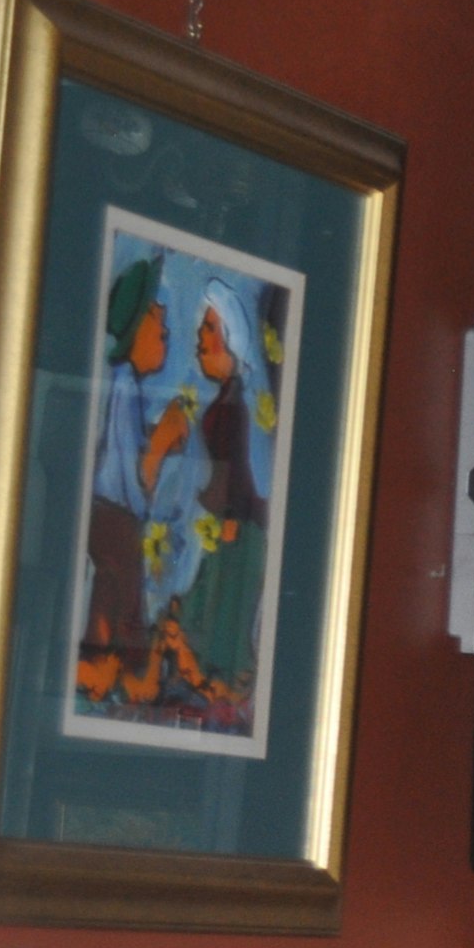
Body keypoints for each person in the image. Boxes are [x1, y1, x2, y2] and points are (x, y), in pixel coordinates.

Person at [79, 258, 198, 708]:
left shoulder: (123, 387)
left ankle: (100, 683)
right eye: (155, 315)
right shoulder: (124, 388)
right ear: (133, 331)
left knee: (108, 609)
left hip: (112, 520)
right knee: (125, 620)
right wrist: (162, 441)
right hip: (116, 522)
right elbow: (135, 482)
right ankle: (121, 686)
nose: (165, 326)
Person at [176, 278, 278, 710]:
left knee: (224, 624)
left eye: (209, 329)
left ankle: (225, 695)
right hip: (230, 529)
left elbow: (242, 475)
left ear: (232, 341)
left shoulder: (236, 407)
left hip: (237, 533)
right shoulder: (225, 402)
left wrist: (222, 513)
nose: (200, 339)